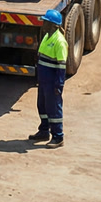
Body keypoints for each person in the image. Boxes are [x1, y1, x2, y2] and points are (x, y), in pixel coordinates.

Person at [30, 8, 67, 147]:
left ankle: (58, 136)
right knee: (42, 105)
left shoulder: (59, 41)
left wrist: (59, 84)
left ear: (53, 25)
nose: (43, 24)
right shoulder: (47, 36)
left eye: (46, 22)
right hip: (44, 80)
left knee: (53, 108)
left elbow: (62, 66)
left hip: (52, 82)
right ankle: (44, 130)